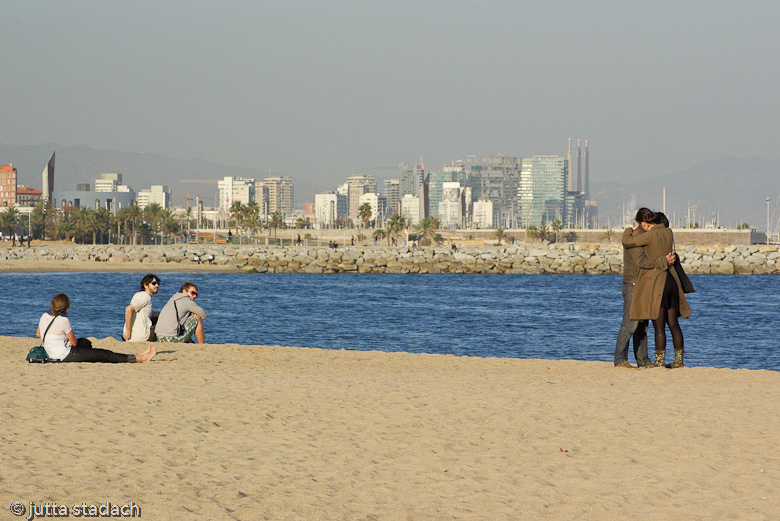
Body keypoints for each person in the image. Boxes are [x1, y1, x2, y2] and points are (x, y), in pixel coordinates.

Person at [624, 210, 692, 368]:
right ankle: (679, 361)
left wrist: (629, 230)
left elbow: (628, 242)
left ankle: (660, 362)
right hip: (672, 281)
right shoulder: (668, 232)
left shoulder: (651, 235)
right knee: (674, 323)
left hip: (658, 283)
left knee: (659, 325)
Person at [616, 208, 675, 368]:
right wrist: (663, 261)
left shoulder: (646, 236)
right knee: (630, 323)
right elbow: (641, 262)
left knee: (642, 324)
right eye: (651, 223)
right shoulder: (637, 237)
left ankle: (642, 360)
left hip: (642, 284)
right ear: (643, 223)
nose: (654, 225)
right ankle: (620, 360)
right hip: (633, 284)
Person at [36, 293, 156, 363]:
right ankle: (139, 358)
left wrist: (55, 339)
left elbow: (38, 334)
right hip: (64, 354)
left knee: (86, 343)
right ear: (66, 306)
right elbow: (73, 342)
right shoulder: (63, 320)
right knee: (105, 354)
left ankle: (138, 355)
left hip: (52, 352)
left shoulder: (44, 316)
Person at [123, 274, 160, 342]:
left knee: (161, 317)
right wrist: (128, 331)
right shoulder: (145, 297)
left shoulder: (138, 294)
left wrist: (162, 314)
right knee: (164, 322)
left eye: (158, 283)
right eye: (154, 283)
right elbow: (128, 309)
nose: (157, 285)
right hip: (142, 337)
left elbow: (145, 313)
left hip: (132, 337)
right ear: (145, 285)